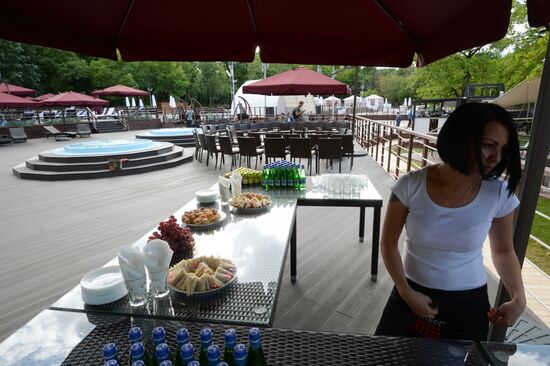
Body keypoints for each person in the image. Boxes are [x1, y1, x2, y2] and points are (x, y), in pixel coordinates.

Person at [375, 102, 525, 342]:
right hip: (410, 293)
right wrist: (406, 291)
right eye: (488, 146)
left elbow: (504, 251)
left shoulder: (498, 193)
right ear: (458, 138)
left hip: (469, 304)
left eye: (503, 149)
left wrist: (519, 297)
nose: (496, 158)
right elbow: (388, 244)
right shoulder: (410, 185)